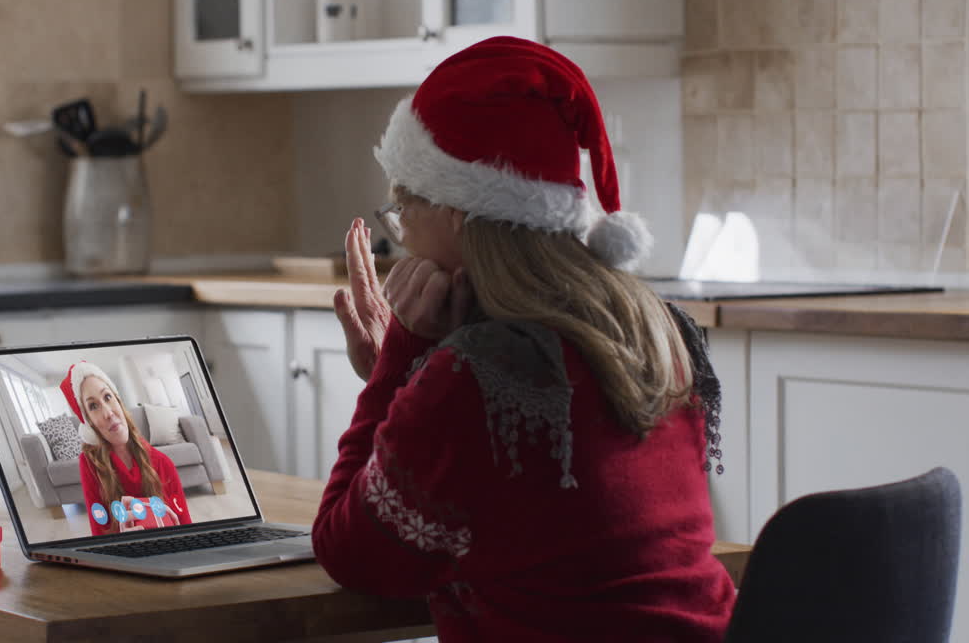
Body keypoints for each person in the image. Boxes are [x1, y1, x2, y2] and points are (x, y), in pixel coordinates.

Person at [314, 36, 734, 642]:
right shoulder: (657, 329)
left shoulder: (473, 377)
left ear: (458, 211)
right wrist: (418, 379)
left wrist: (399, 363)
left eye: (404, 212)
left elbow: (348, 553)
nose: (402, 241)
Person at [59, 361, 191, 536]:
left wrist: (172, 529)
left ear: (119, 402)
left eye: (107, 397)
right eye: (93, 406)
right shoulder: (90, 464)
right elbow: (100, 535)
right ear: (90, 424)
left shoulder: (163, 463)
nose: (108, 413)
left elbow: (187, 530)